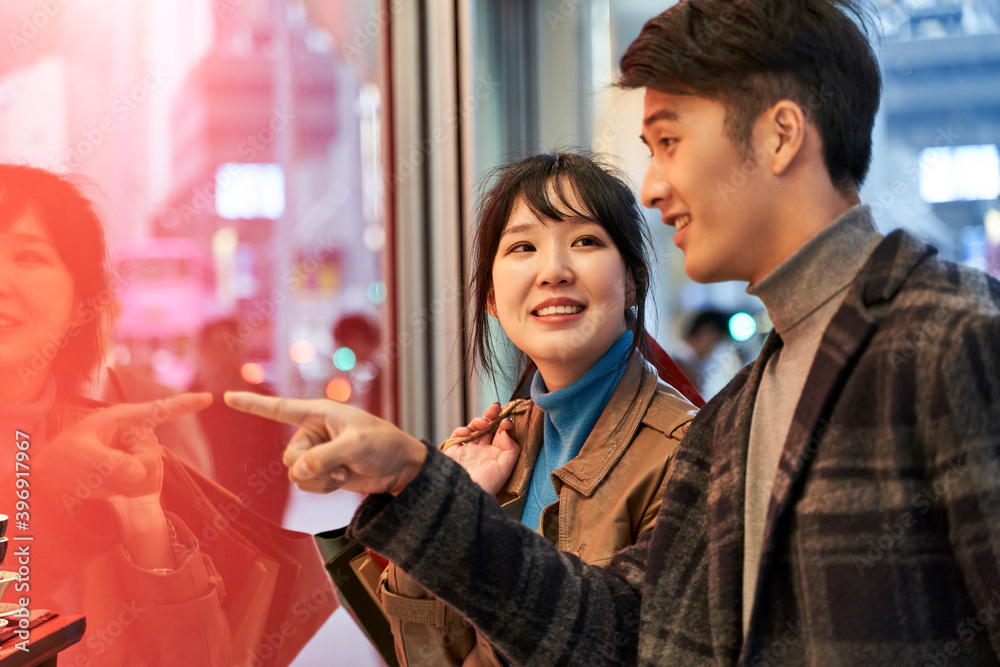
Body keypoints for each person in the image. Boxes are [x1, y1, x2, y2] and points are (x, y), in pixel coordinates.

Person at [226, 0, 1000, 664]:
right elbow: (616, 633)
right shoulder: (740, 412)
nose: (656, 185)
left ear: (780, 135)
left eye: (668, 141)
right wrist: (415, 479)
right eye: (520, 248)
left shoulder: (947, 338)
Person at [0, 164, 333, 666]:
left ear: (81, 304)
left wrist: (145, 523)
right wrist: (46, 502)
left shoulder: (117, 451)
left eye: (29, 255)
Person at [377, 153, 699, 666]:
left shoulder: (691, 455)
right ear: (491, 298)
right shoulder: (498, 444)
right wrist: (437, 514)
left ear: (633, 281)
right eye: (523, 246)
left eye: (586, 241)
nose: (553, 271)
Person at [188, 317, 291, 524]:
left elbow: (281, 464)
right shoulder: (190, 403)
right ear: (205, 350)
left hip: (258, 517)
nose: (227, 354)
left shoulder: (264, 399)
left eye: (233, 345)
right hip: (206, 517)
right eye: (219, 346)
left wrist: (274, 521)